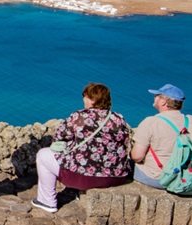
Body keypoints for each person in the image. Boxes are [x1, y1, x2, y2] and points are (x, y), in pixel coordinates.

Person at [32, 83, 133, 213]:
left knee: (43, 154)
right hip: (116, 177)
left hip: (84, 178)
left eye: (85, 96)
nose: (83, 99)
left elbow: (58, 136)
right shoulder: (119, 119)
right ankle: (79, 192)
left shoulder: (79, 117)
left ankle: (47, 201)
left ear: (93, 99)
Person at [131, 84, 192, 189]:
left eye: (157, 95)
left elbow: (137, 157)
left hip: (158, 178)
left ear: (163, 102)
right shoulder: (191, 121)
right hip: (185, 178)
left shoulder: (151, 122)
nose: (154, 97)